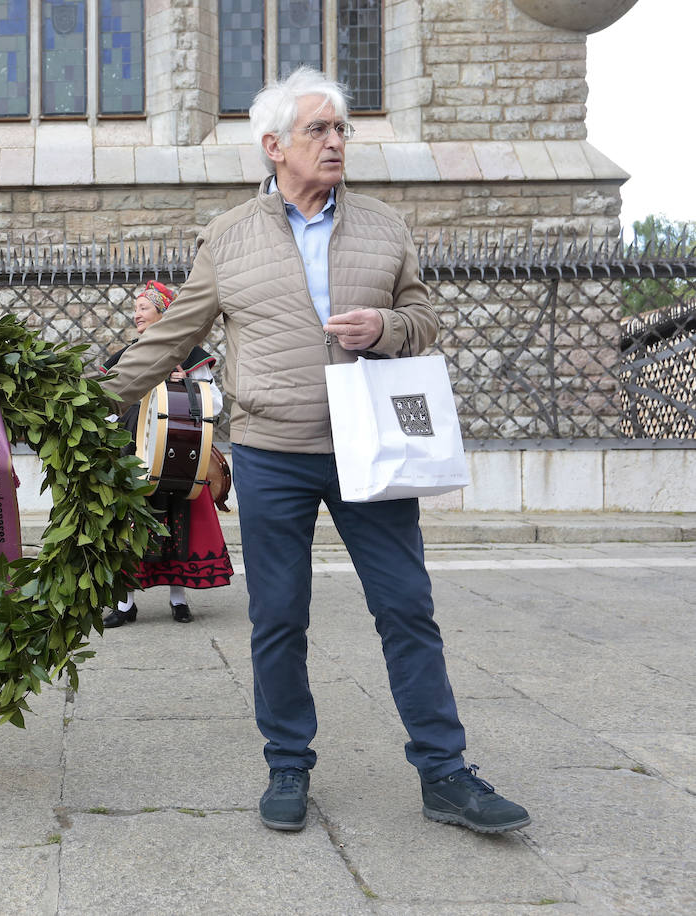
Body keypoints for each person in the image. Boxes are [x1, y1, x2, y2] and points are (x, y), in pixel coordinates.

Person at [97, 68, 530, 835]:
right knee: (279, 617)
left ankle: (445, 771)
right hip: (271, 452)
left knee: (406, 608)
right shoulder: (228, 237)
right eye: (319, 131)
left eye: (342, 131)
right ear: (273, 147)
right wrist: (86, 396)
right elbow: (172, 335)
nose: (336, 142)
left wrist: (387, 330)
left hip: (373, 449)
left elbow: (424, 316)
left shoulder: (383, 225)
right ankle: (288, 763)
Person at [100, 280, 232, 626]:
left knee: (178, 523)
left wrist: (186, 383)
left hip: (178, 454)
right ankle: (125, 604)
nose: (136, 314)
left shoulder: (189, 356)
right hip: (132, 451)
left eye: (143, 307)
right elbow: (107, 409)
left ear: (164, 313)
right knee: (128, 526)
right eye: (135, 308)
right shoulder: (128, 354)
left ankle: (178, 598)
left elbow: (214, 404)